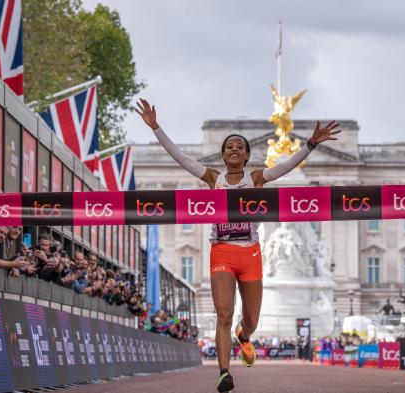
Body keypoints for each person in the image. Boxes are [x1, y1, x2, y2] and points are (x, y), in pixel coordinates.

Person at [135, 98, 340, 392]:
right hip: (221, 249)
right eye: (229, 146)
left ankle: (244, 338)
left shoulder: (256, 178)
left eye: (239, 147)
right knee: (223, 314)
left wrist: (311, 144)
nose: (233, 149)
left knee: (251, 319)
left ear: (245, 156)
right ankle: (223, 373)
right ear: (222, 154)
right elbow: (180, 157)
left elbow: (285, 167)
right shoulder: (212, 178)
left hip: (251, 252)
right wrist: (156, 127)